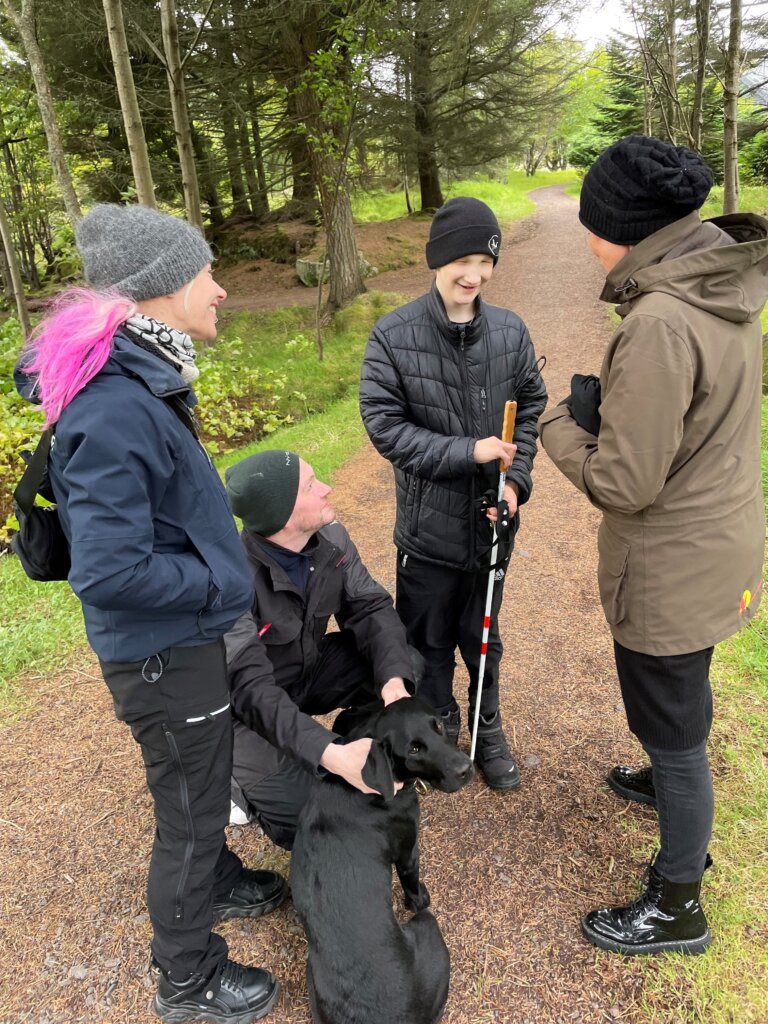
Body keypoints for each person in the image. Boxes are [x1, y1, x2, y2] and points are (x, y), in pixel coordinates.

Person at [14, 204, 286, 1023]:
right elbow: (108, 570)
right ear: (160, 288)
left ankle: (217, 880)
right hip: (163, 654)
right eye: (207, 273)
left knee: (196, 786)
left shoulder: (143, 376)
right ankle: (188, 977)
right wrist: (218, 584)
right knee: (192, 808)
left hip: (177, 644)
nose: (223, 288)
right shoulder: (115, 403)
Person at [539, 135, 766, 954]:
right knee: (678, 703)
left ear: (623, 230)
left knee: (673, 733)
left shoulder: (661, 321)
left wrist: (559, 424)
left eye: (590, 223)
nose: (586, 238)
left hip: (671, 566)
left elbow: (624, 485)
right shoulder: (719, 280)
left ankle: (677, 906)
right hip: (720, 546)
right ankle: (668, 781)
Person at [359, 196, 548, 791]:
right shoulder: (393, 335)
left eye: (485, 261)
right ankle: (438, 726)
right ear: (437, 259)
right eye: (462, 260)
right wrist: (468, 451)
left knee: (483, 633)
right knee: (428, 641)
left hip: (493, 527)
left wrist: (516, 481)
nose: (474, 274)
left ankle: (486, 726)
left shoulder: (511, 331)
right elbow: (386, 427)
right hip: (428, 533)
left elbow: (533, 406)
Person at [223, 449, 419, 848]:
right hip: (245, 711)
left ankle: (359, 749)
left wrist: (393, 681)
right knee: (312, 819)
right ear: (281, 516)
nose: (327, 488)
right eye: (311, 486)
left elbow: (370, 606)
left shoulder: (330, 538)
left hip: (306, 672)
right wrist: (324, 751)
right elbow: (249, 689)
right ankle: (236, 783)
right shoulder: (230, 578)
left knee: (405, 662)